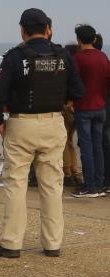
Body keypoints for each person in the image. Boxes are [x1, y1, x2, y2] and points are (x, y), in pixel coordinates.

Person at [0, 8, 84, 258]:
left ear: (22, 29)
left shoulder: (15, 56)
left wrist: (0, 122)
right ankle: (52, 244)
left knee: (16, 185)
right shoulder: (63, 55)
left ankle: (11, 244)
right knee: (52, 185)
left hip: (21, 124)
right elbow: (78, 91)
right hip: (54, 123)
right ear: (48, 29)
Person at [71, 24, 110, 198]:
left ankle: (90, 185)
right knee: (98, 147)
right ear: (94, 39)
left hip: (84, 108)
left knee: (86, 148)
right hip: (101, 107)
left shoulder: (78, 58)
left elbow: (73, 83)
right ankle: (100, 184)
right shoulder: (103, 57)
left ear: (79, 40)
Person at [62, 44, 83, 187]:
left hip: (67, 109)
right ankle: (75, 170)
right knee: (70, 141)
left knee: (64, 142)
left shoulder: (68, 70)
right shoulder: (79, 70)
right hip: (78, 110)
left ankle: (67, 172)